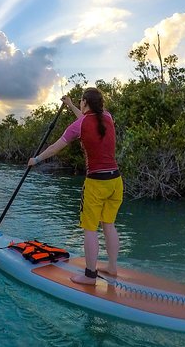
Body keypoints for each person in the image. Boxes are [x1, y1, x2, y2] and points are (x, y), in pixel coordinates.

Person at [28, 88, 123, 285]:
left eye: (80, 101)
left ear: (85, 102)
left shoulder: (79, 125)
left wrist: (35, 159)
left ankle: (90, 276)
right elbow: (87, 119)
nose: (80, 104)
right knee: (109, 225)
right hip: (115, 181)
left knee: (90, 229)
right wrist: (71, 105)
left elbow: (55, 147)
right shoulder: (108, 116)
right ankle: (112, 268)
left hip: (96, 183)